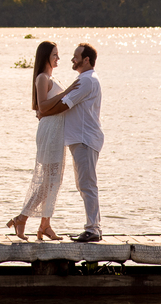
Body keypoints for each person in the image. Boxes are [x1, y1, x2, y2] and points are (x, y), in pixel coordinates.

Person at [6, 41, 77, 241]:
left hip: (57, 131)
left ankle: (42, 223)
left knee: (54, 179)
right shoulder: (42, 78)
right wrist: (67, 92)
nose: (58, 58)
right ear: (45, 55)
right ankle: (25, 220)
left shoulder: (51, 78)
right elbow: (43, 108)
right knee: (47, 179)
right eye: (55, 54)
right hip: (49, 131)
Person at [38, 42, 103, 243]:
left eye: (76, 57)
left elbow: (64, 104)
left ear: (86, 60)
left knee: (87, 184)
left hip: (85, 139)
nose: (72, 59)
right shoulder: (84, 79)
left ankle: (93, 229)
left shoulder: (86, 81)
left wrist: (43, 111)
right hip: (81, 139)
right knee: (84, 184)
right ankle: (93, 228)